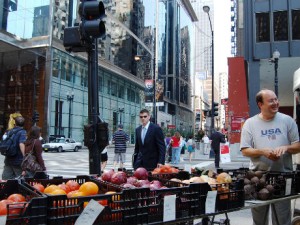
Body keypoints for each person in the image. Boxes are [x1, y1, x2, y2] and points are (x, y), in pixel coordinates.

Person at [241, 89, 300, 225]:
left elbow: (297, 146)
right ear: (260, 104)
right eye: (271, 101)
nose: (275, 103)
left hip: (283, 178)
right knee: (259, 220)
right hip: (257, 178)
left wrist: (286, 148)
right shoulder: (250, 123)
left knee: (282, 220)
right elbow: (245, 150)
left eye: (276, 99)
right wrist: (263, 152)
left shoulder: (287, 120)